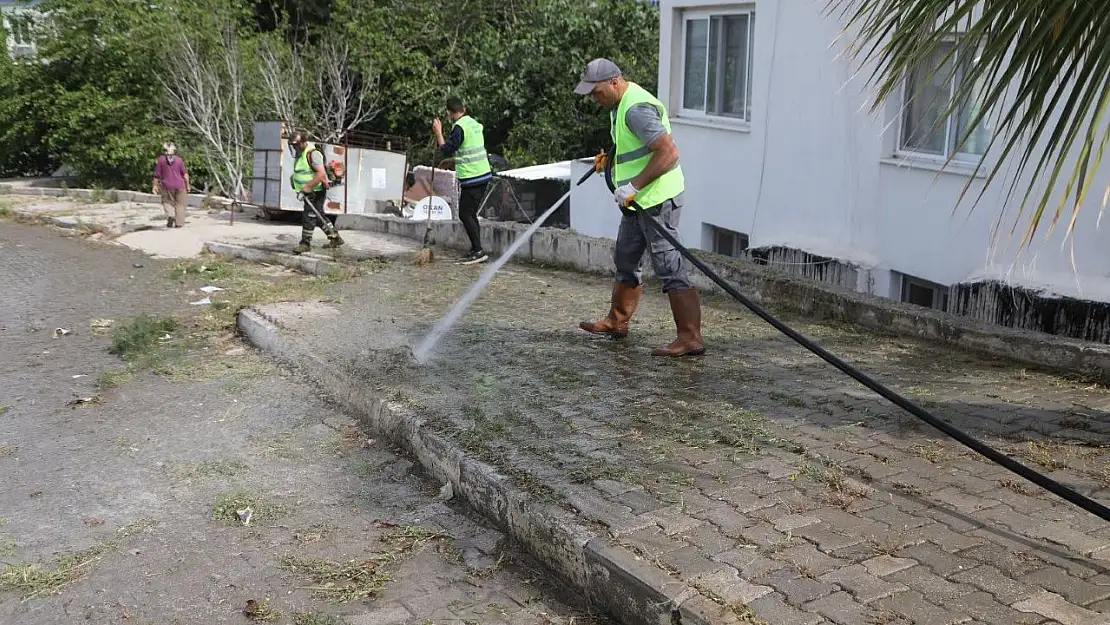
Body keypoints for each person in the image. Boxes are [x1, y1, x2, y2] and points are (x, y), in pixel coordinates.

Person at [573, 58, 705, 357]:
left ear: (614, 82)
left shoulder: (636, 108)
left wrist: (634, 186)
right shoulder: (619, 105)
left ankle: (690, 337)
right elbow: (636, 146)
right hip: (638, 202)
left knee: (669, 266)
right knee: (626, 258)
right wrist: (610, 160)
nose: (594, 99)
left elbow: (669, 153)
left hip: (657, 199)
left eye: (596, 92)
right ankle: (616, 321)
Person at [432, 96, 492, 265]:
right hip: (482, 174)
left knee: (465, 214)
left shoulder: (459, 128)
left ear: (449, 113)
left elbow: (445, 149)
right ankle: (475, 249)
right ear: (464, 109)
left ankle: (479, 251)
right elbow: (467, 150)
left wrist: (438, 132)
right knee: (469, 213)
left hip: (473, 177)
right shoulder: (474, 124)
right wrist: (451, 162)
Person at [288, 129, 344, 254]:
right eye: (292, 145)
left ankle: (305, 243)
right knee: (319, 217)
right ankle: (335, 237)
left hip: (315, 191)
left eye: (296, 145)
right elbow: (305, 171)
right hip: (308, 190)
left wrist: (308, 187)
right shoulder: (300, 153)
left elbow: (321, 173)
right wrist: (294, 179)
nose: (294, 147)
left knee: (309, 216)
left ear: (303, 142)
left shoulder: (312, 153)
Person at [152, 142, 189, 228]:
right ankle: (179, 223)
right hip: (180, 186)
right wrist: (187, 185)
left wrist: (154, 186)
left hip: (166, 186)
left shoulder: (161, 160)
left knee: (166, 201)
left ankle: (171, 214)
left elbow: (156, 175)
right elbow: (185, 175)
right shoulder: (179, 160)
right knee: (180, 205)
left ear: (164, 151)